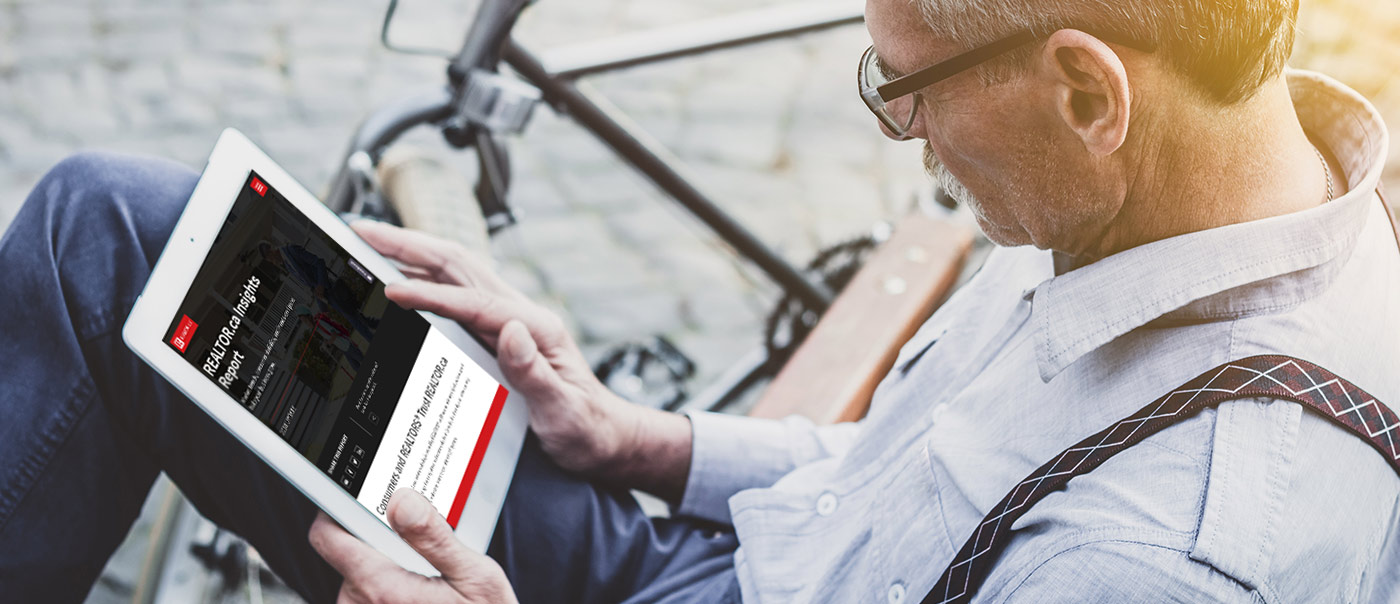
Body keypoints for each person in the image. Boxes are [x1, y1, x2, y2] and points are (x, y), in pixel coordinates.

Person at [2, 0, 1398, 602]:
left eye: (900, 89)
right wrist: (640, 439)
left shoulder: (1169, 561)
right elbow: (947, 478)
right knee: (113, 238)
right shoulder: (1206, 201)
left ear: (1091, 91)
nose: (899, 134)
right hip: (737, 565)